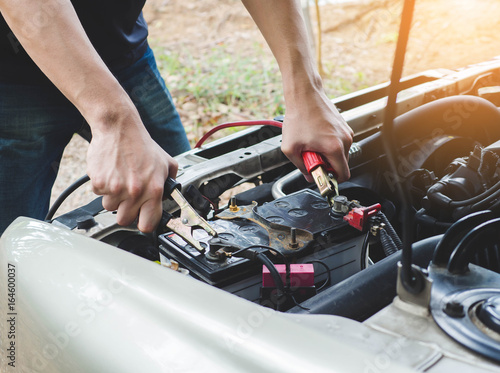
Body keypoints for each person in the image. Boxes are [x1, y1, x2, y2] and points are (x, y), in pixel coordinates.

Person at [0, 0, 353, 235]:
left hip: (124, 53)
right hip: (13, 78)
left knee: (187, 204)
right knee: (10, 249)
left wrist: (306, 89)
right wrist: (114, 119)